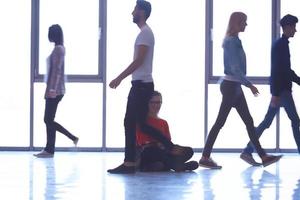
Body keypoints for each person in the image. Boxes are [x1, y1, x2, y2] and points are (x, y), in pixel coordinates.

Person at [108, 1, 191, 174]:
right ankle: (132, 162)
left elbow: (139, 61)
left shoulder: (146, 33)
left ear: (142, 12)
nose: (132, 13)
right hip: (140, 84)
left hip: (141, 85)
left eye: (134, 10)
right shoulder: (144, 33)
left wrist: (119, 78)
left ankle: (133, 162)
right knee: (137, 123)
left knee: (134, 123)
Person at [198, 12, 282, 169]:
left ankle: (263, 156)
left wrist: (245, 84)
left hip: (233, 86)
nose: (246, 25)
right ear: (236, 23)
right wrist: (249, 84)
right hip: (231, 87)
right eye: (244, 22)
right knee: (220, 122)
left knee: (247, 122)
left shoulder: (235, 40)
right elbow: (236, 68)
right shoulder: (231, 42)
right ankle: (205, 157)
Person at [240, 14, 300, 165]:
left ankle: (247, 151)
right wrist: (276, 93)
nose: (295, 30)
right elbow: (279, 70)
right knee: (294, 120)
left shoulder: (281, 44)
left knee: (267, 122)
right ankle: (247, 151)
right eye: (293, 26)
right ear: (287, 27)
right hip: (282, 92)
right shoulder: (281, 45)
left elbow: (284, 70)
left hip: (281, 91)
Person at [34, 24, 79, 158]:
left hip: (56, 90)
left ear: (54, 35)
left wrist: (52, 89)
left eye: (50, 33)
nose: (49, 36)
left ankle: (71, 138)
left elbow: (57, 71)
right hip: (53, 89)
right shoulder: (58, 48)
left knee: (48, 119)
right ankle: (49, 149)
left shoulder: (59, 49)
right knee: (49, 119)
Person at [136, 91, 199, 172]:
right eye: (152, 102)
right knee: (152, 151)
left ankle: (162, 166)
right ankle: (178, 166)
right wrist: (158, 144)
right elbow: (141, 141)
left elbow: (168, 140)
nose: (156, 105)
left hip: (163, 151)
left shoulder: (163, 122)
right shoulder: (142, 121)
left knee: (188, 151)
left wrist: (172, 148)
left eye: (158, 102)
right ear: (147, 103)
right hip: (148, 152)